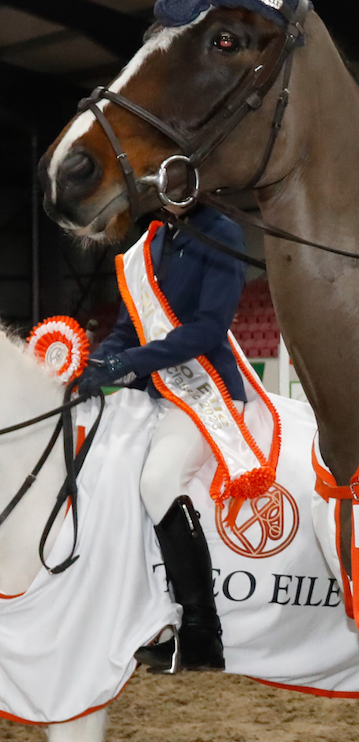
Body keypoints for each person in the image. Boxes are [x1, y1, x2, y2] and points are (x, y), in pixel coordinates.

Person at [75, 204, 246, 672]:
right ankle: (152, 620)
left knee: (158, 481)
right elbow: (128, 328)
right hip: (156, 393)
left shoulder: (221, 233)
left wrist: (128, 365)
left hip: (204, 390)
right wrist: (100, 362)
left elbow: (211, 327)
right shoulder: (146, 247)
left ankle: (201, 630)